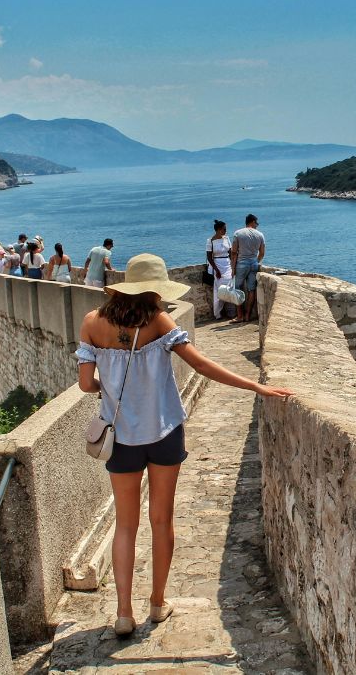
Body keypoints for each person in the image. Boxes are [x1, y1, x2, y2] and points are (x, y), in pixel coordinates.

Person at [75, 254, 293, 636]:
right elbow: (202, 366)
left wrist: (107, 388)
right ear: (156, 290)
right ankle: (157, 603)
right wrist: (256, 386)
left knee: (125, 525)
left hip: (120, 437)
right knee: (161, 520)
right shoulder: (159, 322)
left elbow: (85, 384)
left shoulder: (93, 323)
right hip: (163, 432)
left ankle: (123, 613)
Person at [230, 214, 265, 323]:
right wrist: (256, 261)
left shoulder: (238, 233)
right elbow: (262, 253)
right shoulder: (260, 235)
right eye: (257, 223)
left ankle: (239, 316)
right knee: (251, 290)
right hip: (254, 263)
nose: (257, 225)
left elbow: (234, 252)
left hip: (241, 264)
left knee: (238, 290)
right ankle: (247, 316)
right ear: (252, 221)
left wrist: (233, 268)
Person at [205, 220, 233, 319]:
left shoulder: (227, 239)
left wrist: (233, 266)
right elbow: (209, 257)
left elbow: (231, 253)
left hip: (227, 265)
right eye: (224, 229)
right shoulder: (210, 241)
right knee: (219, 290)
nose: (225, 231)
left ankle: (230, 311)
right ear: (218, 230)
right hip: (217, 265)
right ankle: (218, 313)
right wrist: (216, 270)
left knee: (229, 288)